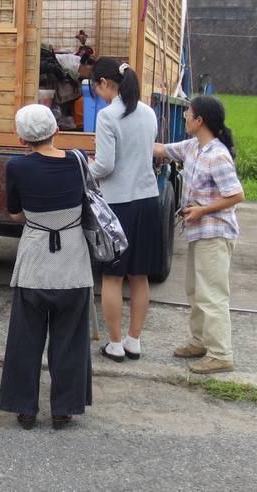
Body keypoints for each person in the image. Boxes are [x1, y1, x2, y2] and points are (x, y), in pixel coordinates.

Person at [0, 104, 94, 431]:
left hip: (34, 259)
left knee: (26, 338)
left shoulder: (16, 168)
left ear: (22, 138)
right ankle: (63, 409)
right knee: (69, 338)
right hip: (73, 261)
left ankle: (24, 408)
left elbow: (15, 215)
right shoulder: (78, 162)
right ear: (56, 130)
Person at [153, 95, 244, 375]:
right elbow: (162, 149)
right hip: (200, 233)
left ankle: (220, 354)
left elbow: (236, 195)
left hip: (214, 234)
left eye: (188, 114)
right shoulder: (194, 147)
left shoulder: (217, 155)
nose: (184, 117)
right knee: (195, 290)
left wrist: (202, 211)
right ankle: (199, 341)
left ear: (200, 120)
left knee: (212, 294)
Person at [87, 57, 163, 362]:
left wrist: (86, 168)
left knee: (112, 277)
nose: (98, 93)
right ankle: (134, 341)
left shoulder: (108, 116)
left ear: (105, 84)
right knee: (139, 275)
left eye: (96, 87)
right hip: (148, 200)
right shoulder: (148, 112)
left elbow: (105, 165)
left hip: (118, 204)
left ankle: (115, 344)